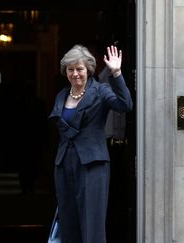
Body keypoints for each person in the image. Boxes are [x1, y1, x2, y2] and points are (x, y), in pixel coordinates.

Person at [49, 44, 133, 243]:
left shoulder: (101, 91)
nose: (75, 74)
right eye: (71, 69)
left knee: (91, 223)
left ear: (88, 69)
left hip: (92, 164)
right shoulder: (62, 95)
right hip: (64, 164)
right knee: (68, 221)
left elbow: (125, 104)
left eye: (80, 69)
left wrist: (117, 73)